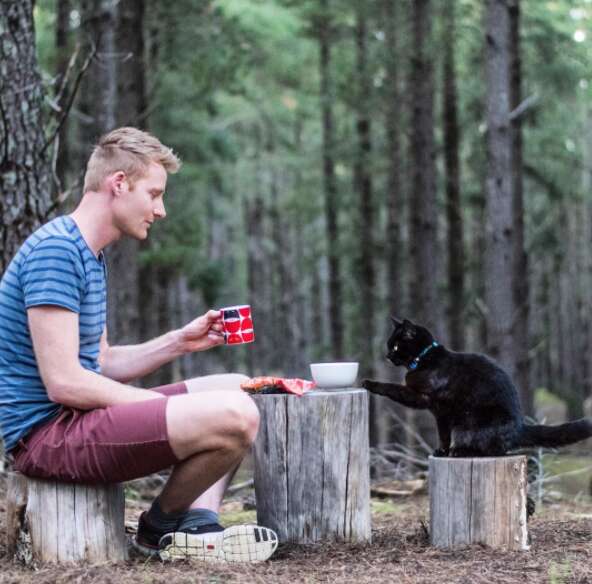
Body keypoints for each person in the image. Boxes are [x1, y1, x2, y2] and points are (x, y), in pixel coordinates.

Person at [0, 127, 278, 563]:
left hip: (78, 420)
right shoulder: (56, 251)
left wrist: (178, 343)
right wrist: (153, 407)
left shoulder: (89, 254)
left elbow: (101, 362)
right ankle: (158, 530)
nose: (160, 210)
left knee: (238, 387)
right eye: (154, 194)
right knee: (235, 415)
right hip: (48, 437)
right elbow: (65, 384)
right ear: (118, 184)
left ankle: (199, 528)